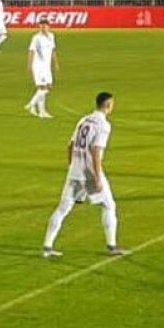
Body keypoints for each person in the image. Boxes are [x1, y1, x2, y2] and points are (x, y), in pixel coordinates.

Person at [42, 92, 128, 258]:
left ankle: (47, 247)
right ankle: (112, 246)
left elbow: (70, 145)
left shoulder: (83, 120)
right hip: (89, 173)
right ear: (108, 105)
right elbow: (96, 151)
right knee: (109, 205)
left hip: (74, 172)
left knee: (62, 209)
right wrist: (97, 177)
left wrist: (72, 166)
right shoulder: (103, 125)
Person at [25, 21, 60, 118]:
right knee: (44, 87)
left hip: (47, 66)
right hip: (38, 66)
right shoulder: (36, 38)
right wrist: (29, 64)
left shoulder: (51, 36)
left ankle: (40, 111)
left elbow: (53, 50)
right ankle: (32, 105)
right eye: (41, 27)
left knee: (46, 87)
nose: (42, 29)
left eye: (44, 27)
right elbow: (31, 51)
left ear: (48, 27)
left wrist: (56, 62)